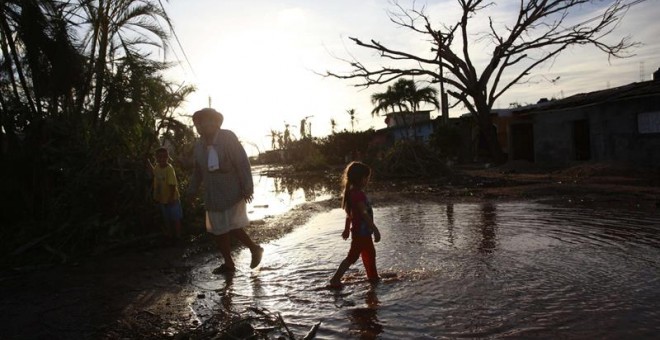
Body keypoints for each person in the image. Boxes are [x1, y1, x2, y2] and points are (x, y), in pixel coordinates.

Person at [187, 108, 263, 274]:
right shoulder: (199, 146)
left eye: (203, 121)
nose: (200, 126)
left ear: (215, 122)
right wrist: (191, 192)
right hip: (212, 195)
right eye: (197, 123)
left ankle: (254, 248)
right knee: (218, 229)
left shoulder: (227, 138)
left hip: (231, 192)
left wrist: (247, 188)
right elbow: (198, 172)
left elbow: (242, 162)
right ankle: (229, 263)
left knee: (232, 226)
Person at [330, 161, 381, 288]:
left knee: (369, 254)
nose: (367, 181)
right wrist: (375, 229)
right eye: (366, 178)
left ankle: (373, 277)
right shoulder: (358, 195)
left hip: (361, 233)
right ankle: (335, 279)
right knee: (352, 257)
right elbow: (364, 214)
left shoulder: (352, 192)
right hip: (361, 234)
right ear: (360, 179)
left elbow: (350, 214)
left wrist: (347, 229)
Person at [150, 147, 183, 241]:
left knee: (175, 219)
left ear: (167, 157)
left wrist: (171, 198)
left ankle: (178, 236)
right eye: (159, 157)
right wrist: (148, 162)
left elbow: (172, 185)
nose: (162, 159)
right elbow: (154, 172)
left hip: (172, 199)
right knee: (166, 219)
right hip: (162, 199)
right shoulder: (157, 167)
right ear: (156, 158)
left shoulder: (169, 169)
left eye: (164, 157)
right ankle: (170, 236)